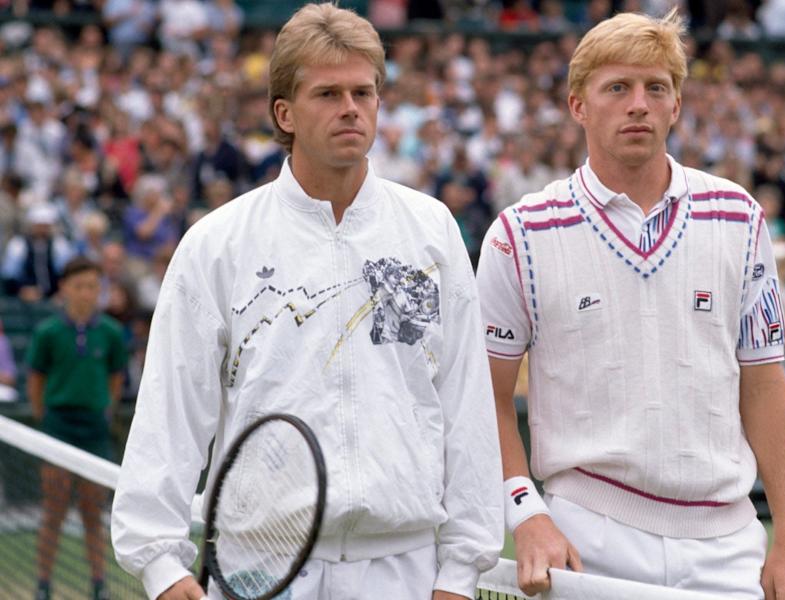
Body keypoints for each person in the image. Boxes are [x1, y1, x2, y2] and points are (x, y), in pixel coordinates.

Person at [110, 4, 502, 600]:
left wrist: (462, 570)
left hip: (403, 569)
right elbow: (171, 407)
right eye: (327, 93)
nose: (350, 107)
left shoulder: (431, 231)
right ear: (284, 113)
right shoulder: (218, 243)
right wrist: (162, 566)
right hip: (256, 567)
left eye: (363, 92)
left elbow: (464, 401)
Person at [476, 10, 785, 599]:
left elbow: (763, 382)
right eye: (618, 88)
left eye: (657, 88)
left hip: (729, 543)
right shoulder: (519, 233)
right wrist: (526, 512)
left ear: (676, 104)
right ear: (579, 105)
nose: (639, 104)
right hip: (588, 534)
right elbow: (487, 398)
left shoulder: (738, 215)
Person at [27, 257, 128, 600]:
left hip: (94, 429)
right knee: (53, 509)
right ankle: (43, 584)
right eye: (80, 285)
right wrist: (46, 419)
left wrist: (104, 411)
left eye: (93, 286)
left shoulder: (111, 333)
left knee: (92, 510)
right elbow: (36, 381)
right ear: (64, 289)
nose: (87, 293)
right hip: (58, 425)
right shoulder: (48, 333)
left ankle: (99, 584)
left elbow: (115, 378)